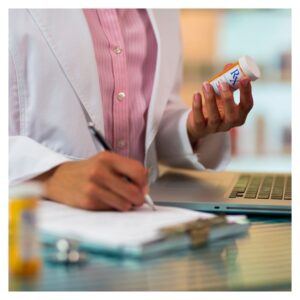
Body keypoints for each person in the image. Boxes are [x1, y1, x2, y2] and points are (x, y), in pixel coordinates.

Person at [9, 9, 253, 211]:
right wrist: (49, 176)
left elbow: (153, 114)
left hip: (142, 216)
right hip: (34, 223)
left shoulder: (162, 12)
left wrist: (191, 128)